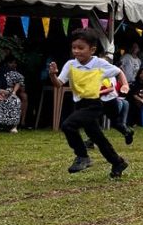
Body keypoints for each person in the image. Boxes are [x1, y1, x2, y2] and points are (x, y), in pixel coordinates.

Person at [49, 28, 130, 178]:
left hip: (93, 104)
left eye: (81, 48)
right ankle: (118, 162)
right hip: (79, 105)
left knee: (68, 125)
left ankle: (82, 156)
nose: (76, 51)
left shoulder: (99, 63)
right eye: (74, 48)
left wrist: (125, 85)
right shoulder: (70, 64)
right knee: (98, 137)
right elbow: (58, 84)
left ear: (92, 49)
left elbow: (118, 72)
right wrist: (52, 75)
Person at [100, 74, 135, 144]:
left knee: (93, 121)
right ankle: (126, 131)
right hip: (111, 101)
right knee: (115, 123)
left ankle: (126, 130)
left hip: (108, 102)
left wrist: (97, 92)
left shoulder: (106, 75)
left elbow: (110, 88)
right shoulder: (110, 75)